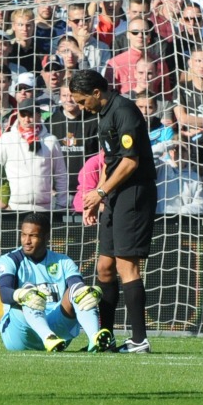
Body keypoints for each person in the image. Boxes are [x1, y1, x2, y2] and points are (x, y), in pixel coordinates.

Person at [70, 69, 156, 354]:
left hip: (134, 193)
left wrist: (101, 191)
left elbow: (131, 162)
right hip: (114, 194)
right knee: (104, 267)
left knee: (125, 265)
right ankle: (103, 339)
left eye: (82, 101)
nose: (81, 107)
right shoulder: (103, 115)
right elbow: (110, 160)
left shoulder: (124, 111)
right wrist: (99, 199)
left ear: (96, 93)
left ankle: (139, 340)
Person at [0, 212, 113, 352]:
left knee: (80, 293)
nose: (26, 241)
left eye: (33, 236)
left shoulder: (63, 261)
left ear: (46, 237)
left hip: (57, 328)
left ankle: (94, 339)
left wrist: (91, 292)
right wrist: (21, 295)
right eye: (23, 235)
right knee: (29, 292)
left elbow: (77, 286)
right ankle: (48, 337)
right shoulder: (10, 259)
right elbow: (4, 292)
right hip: (20, 332)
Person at [0, 98, 69, 211]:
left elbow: (60, 174)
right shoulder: (7, 139)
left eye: (31, 115)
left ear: (38, 115)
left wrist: (62, 204)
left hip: (44, 207)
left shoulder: (51, 140)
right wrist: (2, 200)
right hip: (14, 206)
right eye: (23, 114)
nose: (27, 119)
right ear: (18, 115)